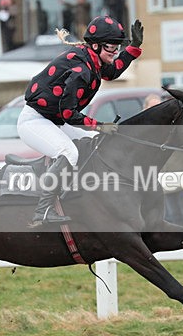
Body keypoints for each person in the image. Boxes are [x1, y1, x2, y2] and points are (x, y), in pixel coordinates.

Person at [17, 15, 144, 226]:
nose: (115, 51)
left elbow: (111, 72)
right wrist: (99, 126)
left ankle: (88, 197)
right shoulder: (81, 70)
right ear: (95, 45)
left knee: (94, 141)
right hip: (34, 121)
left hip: (54, 120)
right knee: (69, 152)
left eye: (117, 47)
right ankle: (43, 210)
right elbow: (69, 114)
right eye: (111, 47)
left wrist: (133, 48)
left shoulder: (91, 59)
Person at [143, 95, 183, 230]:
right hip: (164, 179)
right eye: (152, 107)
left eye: (158, 106)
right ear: (145, 109)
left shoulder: (175, 123)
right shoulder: (146, 129)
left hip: (182, 175)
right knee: (172, 216)